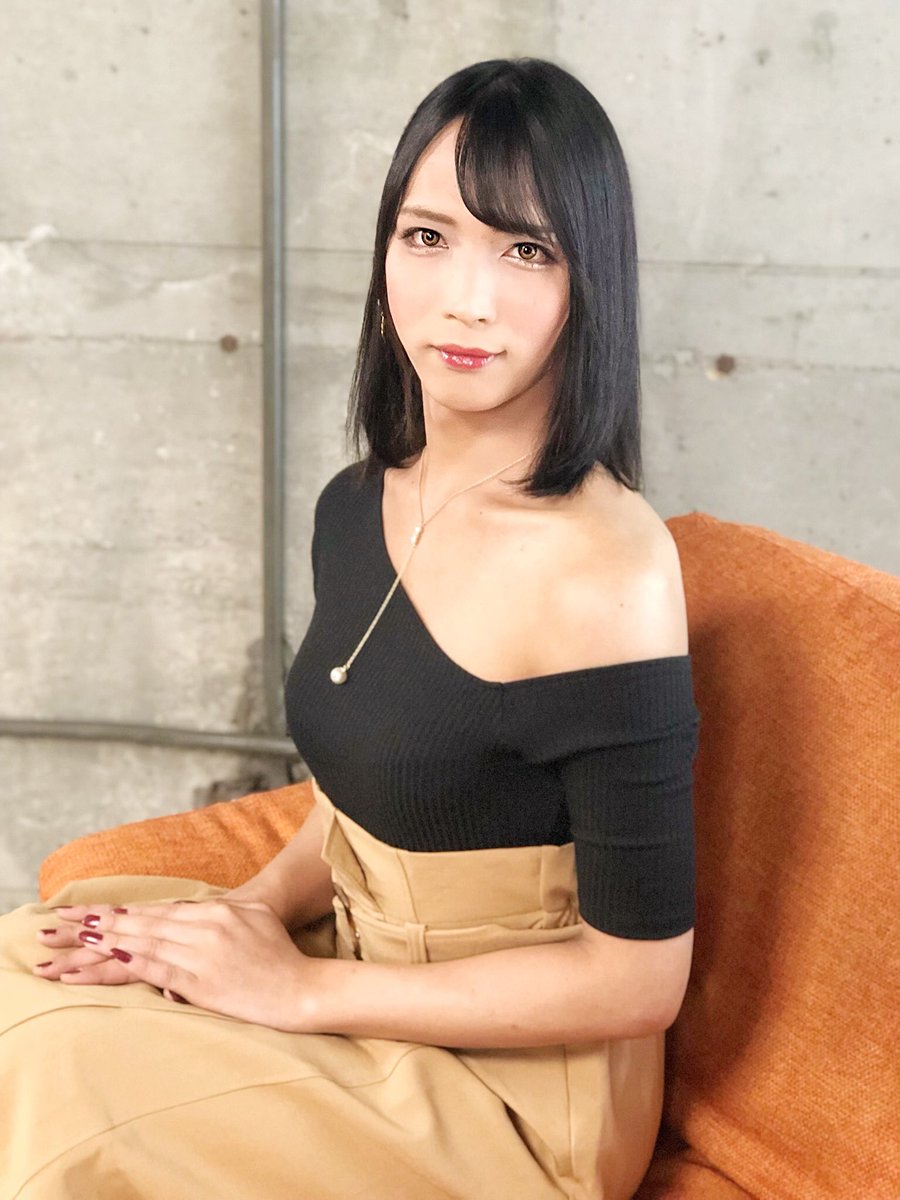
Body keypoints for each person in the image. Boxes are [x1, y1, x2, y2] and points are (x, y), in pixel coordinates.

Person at [0, 57, 700, 1199]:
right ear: (383, 260)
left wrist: (297, 991)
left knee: (59, 1092)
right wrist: (242, 918)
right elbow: (362, 801)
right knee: (31, 963)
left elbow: (636, 981)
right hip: (362, 976)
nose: (467, 298)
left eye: (527, 251)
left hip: (519, 1096)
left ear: (591, 283)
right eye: (429, 237)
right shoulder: (357, 503)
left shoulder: (607, 570)